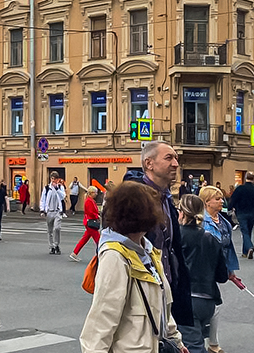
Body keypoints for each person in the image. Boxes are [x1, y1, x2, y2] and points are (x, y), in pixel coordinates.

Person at [79, 181, 187, 353]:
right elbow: (102, 318)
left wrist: (176, 340)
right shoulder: (115, 256)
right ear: (142, 214)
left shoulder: (148, 250)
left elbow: (162, 305)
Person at [130, 142, 193, 338]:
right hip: (141, 294)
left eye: (176, 158)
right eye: (169, 158)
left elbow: (172, 247)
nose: (175, 164)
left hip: (167, 290)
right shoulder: (132, 199)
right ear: (149, 163)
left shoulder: (166, 198)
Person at [177, 193, 227, 345]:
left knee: (192, 345)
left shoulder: (177, 237)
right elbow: (222, 276)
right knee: (196, 340)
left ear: (183, 212)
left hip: (187, 297)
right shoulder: (211, 238)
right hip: (208, 298)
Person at [199, 185, 239, 353]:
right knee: (209, 305)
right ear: (207, 202)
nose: (222, 201)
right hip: (203, 269)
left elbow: (228, 247)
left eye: (221, 198)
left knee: (215, 305)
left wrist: (230, 270)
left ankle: (212, 342)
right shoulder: (200, 221)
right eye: (217, 198)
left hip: (218, 269)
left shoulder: (223, 222)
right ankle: (206, 342)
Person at [228, 171, 254, 260]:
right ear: (253, 178)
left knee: (244, 231)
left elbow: (233, 199)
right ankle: (245, 252)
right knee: (249, 231)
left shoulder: (240, 188)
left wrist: (230, 208)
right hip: (252, 214)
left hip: (241, 213)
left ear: (245, 178)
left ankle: (250, 247)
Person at [70, 186, 100, 262]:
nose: (96, 194)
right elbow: (90, 212)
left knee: (85, 239)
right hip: (90, 222)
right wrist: (97, 216)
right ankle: (100, 255)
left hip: (88, 221)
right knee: (98, 240)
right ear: (92, 193)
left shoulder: (89, 200)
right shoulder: (89, 201)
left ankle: (74, 253)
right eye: (95, 192)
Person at [40, 172, 67, 255]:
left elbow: (63, 196)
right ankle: (51, 246)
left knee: (57, 228)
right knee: (50, 230)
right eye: (52, 178)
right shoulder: (47, 188)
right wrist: (42, 210)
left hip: (58, 211)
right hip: (49, 211)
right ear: (50, 179)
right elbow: (43, 199)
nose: (53, 180)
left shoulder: (60, 187)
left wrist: (57, 189)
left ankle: (56, 245)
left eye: (55, 179)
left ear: (57, 179)